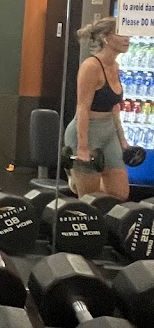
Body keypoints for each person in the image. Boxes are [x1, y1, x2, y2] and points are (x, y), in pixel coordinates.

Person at [63, 17, 131, 201]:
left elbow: (114, 107)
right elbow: (82, 108)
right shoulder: (91, 66)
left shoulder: (115, 66)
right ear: (105, 37)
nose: (127, 39)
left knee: (120, 194)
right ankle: (77, 179)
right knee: (90, 199)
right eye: (121, 34)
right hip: (88, 131)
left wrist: (122, 139)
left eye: (128, 34)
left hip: (108, 132)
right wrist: (83, 147)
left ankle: (80, 180)